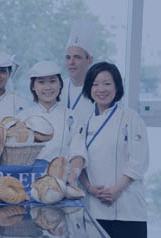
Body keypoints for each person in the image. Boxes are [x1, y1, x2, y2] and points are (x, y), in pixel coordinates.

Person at [68, 62, 149, 238]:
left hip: (128, 207)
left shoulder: (131, 117)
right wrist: (89, 188)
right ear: (89, 88)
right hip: (95, 208)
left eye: (107, 83)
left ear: (116, 86)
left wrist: (117, 189)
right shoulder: (84, 122)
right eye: (95, 84)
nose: (101, 89)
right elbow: (77, 157)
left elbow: (138, 161)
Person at [25, 61, 73, 162]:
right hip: (30, 176)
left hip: (62, 175)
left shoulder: (72, 117)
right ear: (33, 86)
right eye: (41, 82)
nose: (48, 87)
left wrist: (70, 177)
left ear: (60, 84)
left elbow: (78, 153)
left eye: (52, 81)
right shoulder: (23, 117)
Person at [62, 20, 97, 126]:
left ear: (90, 60)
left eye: (77, 57)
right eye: (68, 58)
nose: (71, 62)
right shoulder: (58, 88)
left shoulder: (99, 91)